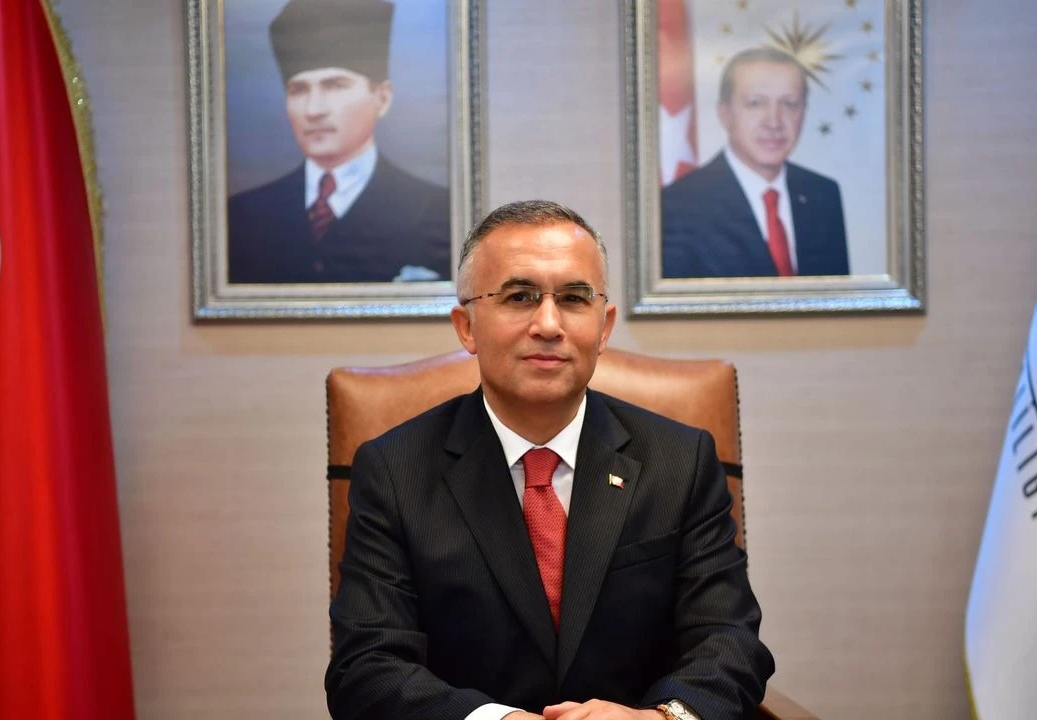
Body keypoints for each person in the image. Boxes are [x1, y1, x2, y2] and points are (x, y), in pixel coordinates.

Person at [326, 200, 774, 720]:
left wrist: (660, 718)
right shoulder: (395, 471)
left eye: (574, 298)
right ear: (466, 326)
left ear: (604, 327)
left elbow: (729, 641)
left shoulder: (680, 461)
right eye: (519, 297)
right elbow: (367, 667)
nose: (548, 324)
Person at [227, 0, 451, 284]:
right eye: (298, 90)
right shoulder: (244, 215)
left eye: (335, 86)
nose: (313, 110)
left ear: (382, 98)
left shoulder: (437, 210)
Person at [661, 47, 849, 279]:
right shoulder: (678, 206)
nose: (774, 122)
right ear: (724, 113)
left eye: (789, 104)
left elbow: (834, 297)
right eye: (755, 103)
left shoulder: (823, 194)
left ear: (804, 111)